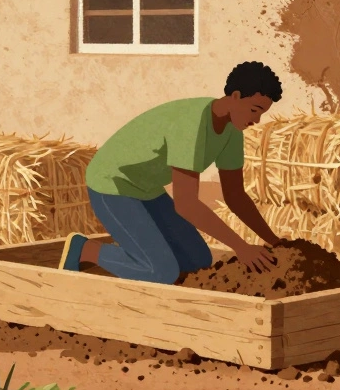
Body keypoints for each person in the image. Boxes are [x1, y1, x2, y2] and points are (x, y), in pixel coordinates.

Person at [60, 61, 284, 282]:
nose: (256, 120)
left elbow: (235, 196)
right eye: (255, 110)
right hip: (113, 182)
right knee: (159, 272)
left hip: (147, 189)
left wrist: (274, 241)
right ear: (235, 96)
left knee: (197, 262)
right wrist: (241, 247)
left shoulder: (232, 132)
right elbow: (186, 204)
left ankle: (137, 248)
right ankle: (85, 250)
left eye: (262, 113)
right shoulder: (191, 124)